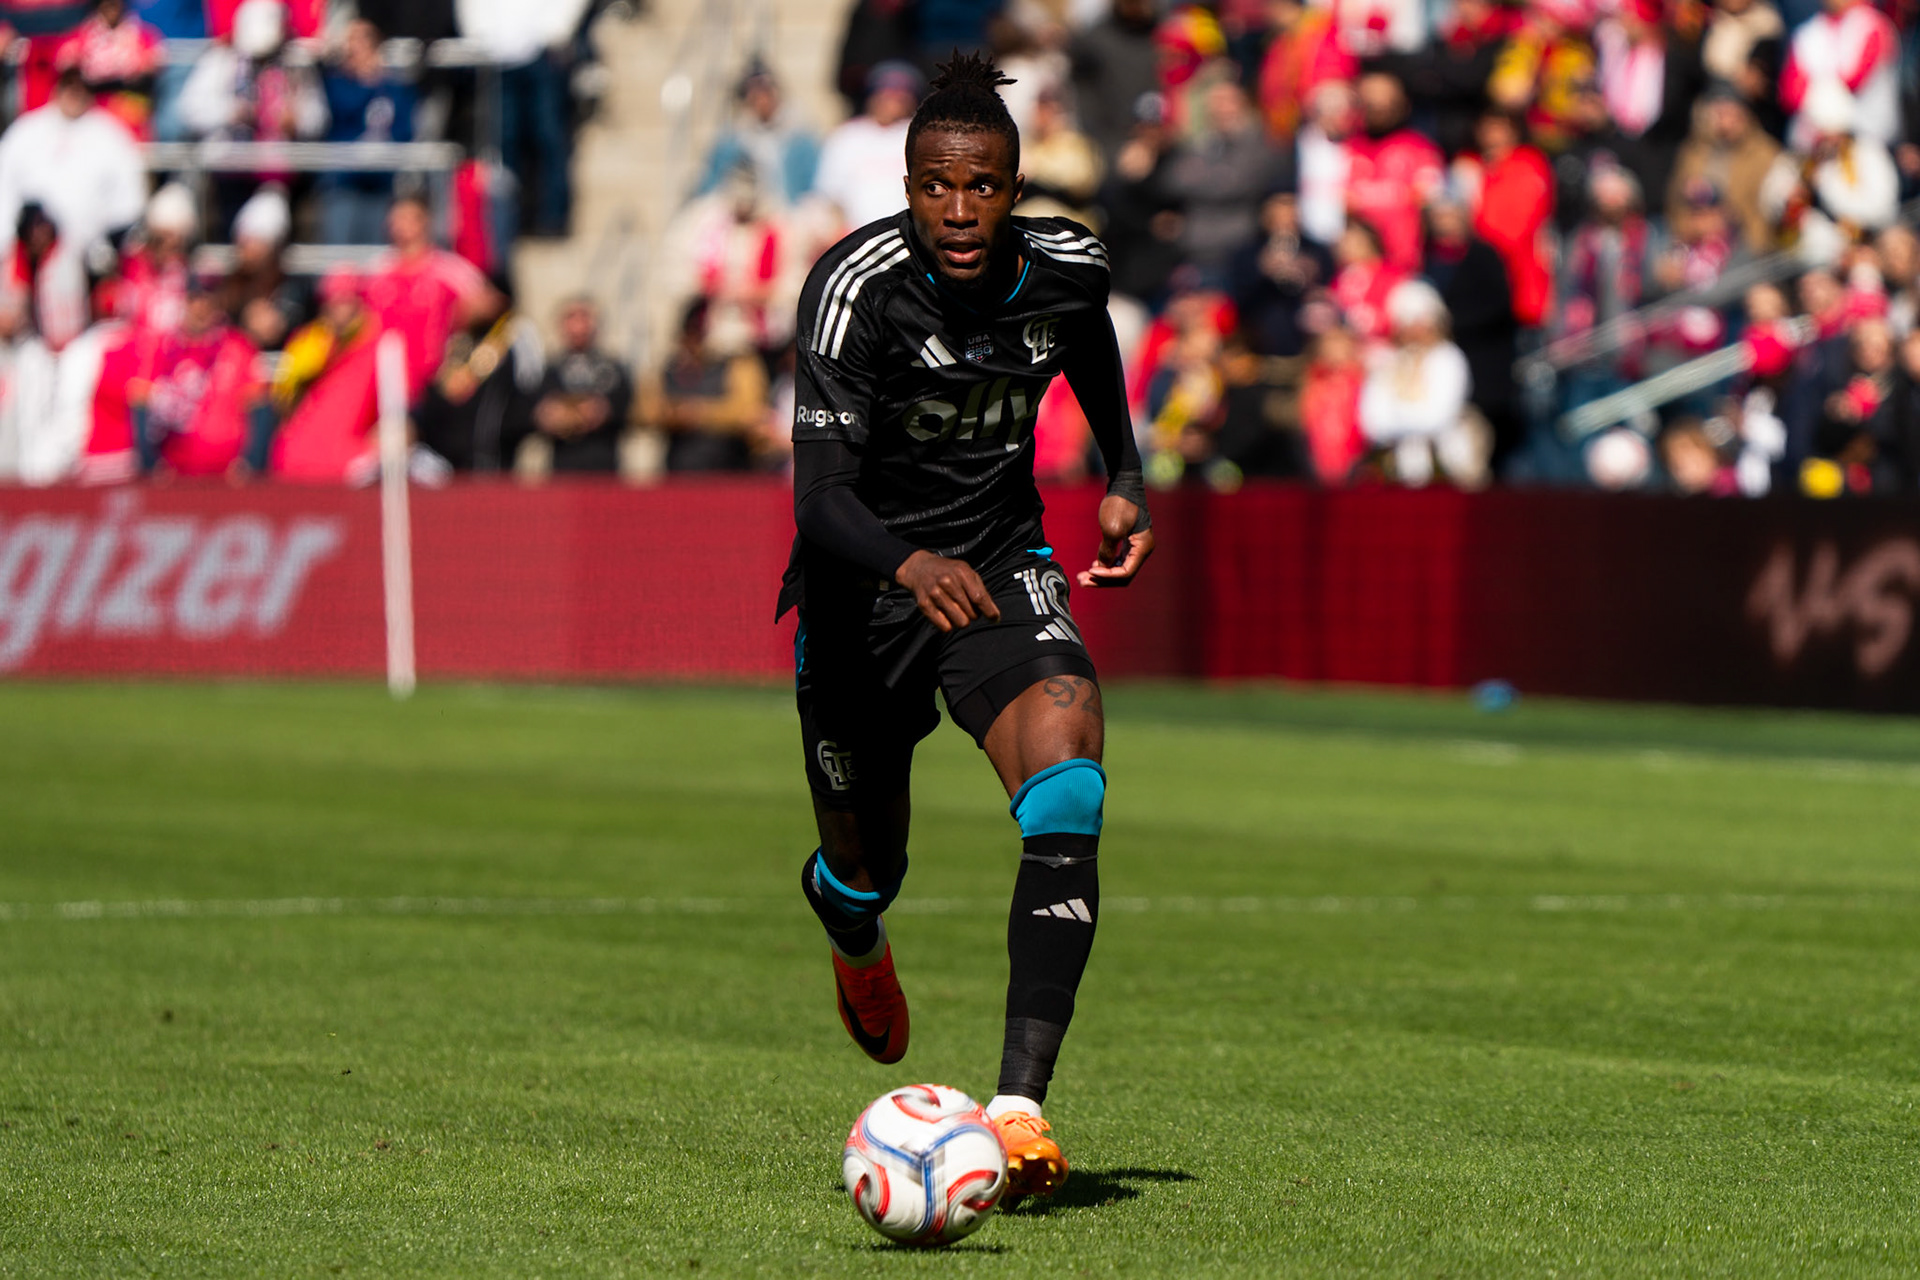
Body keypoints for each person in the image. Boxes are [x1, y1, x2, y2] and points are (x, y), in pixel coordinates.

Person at [782, 52, 1153, 1205]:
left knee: (1071, 769)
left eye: (983, 187)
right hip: (863, 591)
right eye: (936, 186)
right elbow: (820, 495)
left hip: (997, 564)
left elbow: (1082, 336)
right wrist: (905, 559)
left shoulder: (1069, 264)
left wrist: (1123, 470)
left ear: (1015, 183)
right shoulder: (853, 288)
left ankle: (1020, 1109)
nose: (959, 210)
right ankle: (852, 932)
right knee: (867, 868)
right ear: (907, 182)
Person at [318, 17, 417, 246]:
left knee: (375, 255)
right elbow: (343, 110)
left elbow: (405, 129)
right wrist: (367, 82)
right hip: (344, 182)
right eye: (351, 41)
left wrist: (378, 80)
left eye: (363, 41)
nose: (355, 48)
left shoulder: (395, 88)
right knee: (339, 256)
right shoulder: (336, 84)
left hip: (381, 183)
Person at [811, 60, 922, 230]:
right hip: (854, 235)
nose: (891, 101)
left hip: (910, 233)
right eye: (886, 93)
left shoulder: (920, 135)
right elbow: (828, 196)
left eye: (900, 95)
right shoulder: (847, 136)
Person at [695, 60, 821, 209]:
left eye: (765, 90)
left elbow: (814, 189)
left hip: (787, 215)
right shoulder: (731, 142)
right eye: (753, 92)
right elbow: (710, 187)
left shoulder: (801, 141)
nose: (761, 99)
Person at [532, 295, 631, 473]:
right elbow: (544, 414)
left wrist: (576, 413)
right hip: (563, 467)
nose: (578, 326)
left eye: (584, 317)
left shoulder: (612, 369)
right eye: (572, 318)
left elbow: (610, 410)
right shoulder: (549, 371)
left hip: (603, 467)